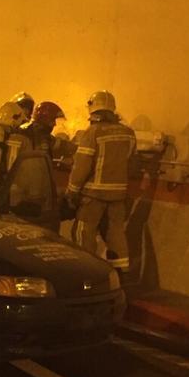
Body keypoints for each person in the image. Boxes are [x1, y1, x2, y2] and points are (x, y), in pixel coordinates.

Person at [66, 90, 137, 272]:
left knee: (83, 233)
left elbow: (81, 167)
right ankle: (121, 272)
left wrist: (72, 192)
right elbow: (132, 165)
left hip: (93, 196)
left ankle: (86, 271)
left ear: (92, 111)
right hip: (118, 196)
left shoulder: (93, 133)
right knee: (116, 234)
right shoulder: (129, 133)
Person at [5, 101, 70, 231]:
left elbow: (59, 146)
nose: (54, 124)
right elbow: (14, 163)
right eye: (52, 120)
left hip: (39, 188)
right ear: (45, 118)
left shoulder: (44, 136)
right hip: (25, 191)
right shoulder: (23, 133)